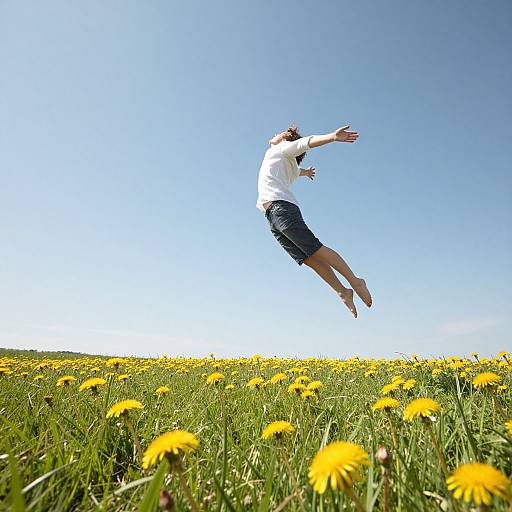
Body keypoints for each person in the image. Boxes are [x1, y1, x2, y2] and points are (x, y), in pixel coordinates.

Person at [256, 124, 372, 318]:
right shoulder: (288, 163)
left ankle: (355, 280)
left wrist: (332, 137)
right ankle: (343, 291)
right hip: (272, 216)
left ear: (285, 140)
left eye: (280, 134)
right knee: (307, 258)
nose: (274, 135)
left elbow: (305, 142)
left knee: (316, 248)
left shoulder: (281, 149)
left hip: (281, 209)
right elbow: (296, 170)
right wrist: (306, 172)